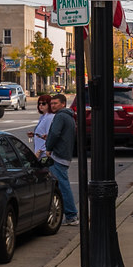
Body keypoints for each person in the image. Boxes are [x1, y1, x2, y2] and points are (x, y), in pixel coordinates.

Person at [45, 93, 79, 226]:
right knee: (60, 185)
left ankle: (71, 215)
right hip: (65, 154)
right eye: (51, 103)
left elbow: (55, 133)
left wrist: (49, 147)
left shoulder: (60, 116)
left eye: (55, 103)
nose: (52, 106)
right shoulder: (68, 116)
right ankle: (67, 214)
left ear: (63, 104)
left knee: (63, 186)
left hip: (58, 156)